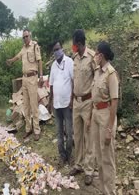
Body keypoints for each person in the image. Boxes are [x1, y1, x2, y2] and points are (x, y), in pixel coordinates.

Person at [6, 29, 44, 141]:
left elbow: (40, 61)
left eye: (26, 36)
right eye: (23, 37)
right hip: (25, 79)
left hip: (33, 78)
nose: (25, 38)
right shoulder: (23, 48)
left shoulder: (34, 46)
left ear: (30, 36)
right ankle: (28, 129)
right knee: (26, 106)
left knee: (34, 105)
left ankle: (37, 130)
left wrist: (41, 76)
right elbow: (18, 56)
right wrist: (11, 61)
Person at [91, 41, 119, 195]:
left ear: (101, 55)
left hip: (106, 115)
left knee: (107, 158)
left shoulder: (111, 73)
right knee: (99, 156)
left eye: (96, 53)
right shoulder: (97, 71)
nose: (94, 55)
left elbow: (114, 102)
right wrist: (90, 117)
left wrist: (109, 128)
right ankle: (103, 190)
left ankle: (110, 192)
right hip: (96, 114)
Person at [69, 29, 96, 186]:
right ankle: (78, 165)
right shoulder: (75, 58)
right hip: (77, 102)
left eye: (74, 44)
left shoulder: (91, 57)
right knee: (77, 135)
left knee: (88, 136)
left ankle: (89, 170)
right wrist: (73, 98)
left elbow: (97, 78)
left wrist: (93, 104)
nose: (73, 47)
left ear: (79, 43)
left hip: (87, 102)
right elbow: (75, 80)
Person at [48, 41, 74, 166]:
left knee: (69, 132)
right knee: (59, 133)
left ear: (62, 49)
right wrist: (49, 101)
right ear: (53, 53)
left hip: (67, 104)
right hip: (56, 105)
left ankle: (69, 155)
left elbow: (73, 82)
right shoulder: (53, 65)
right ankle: (62, 156)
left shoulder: (69, 62)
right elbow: (51, 85)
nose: (57, 51)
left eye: (58, 49)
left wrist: (72, 100)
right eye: (55, 50)